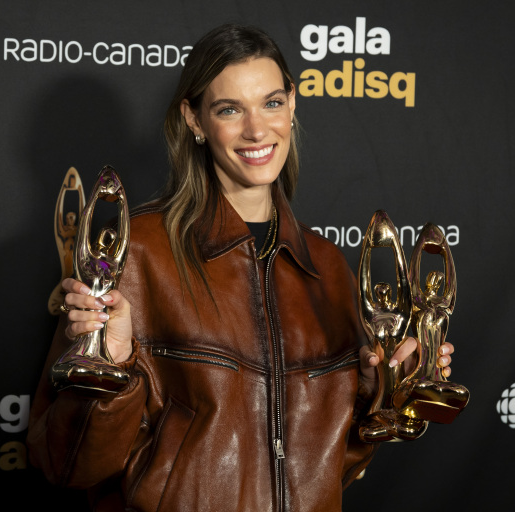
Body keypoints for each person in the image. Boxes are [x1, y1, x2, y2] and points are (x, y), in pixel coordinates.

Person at [28, 24, 454, 512]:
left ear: (293, 105)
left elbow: (333, 468)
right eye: (230, 110)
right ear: (194, 119)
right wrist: (111, 365)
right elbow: (63, 463)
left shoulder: (329, 268)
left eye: (272, 102)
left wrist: (381, 395)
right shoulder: (135, 252)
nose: (257, 130)